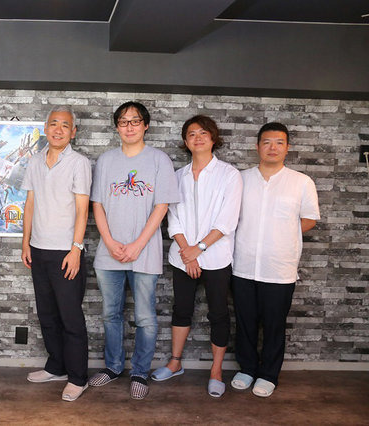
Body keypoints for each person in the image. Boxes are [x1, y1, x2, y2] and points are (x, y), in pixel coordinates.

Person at [88, 101, 179, 400]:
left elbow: (161, 206)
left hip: (145, 251)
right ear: (117, 127)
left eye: (135, 121)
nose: (129, 126)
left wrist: (138, 244)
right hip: (109, 253)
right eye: (123, 121)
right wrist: (109, 242)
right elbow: (97, 204)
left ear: (145, 125)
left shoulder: (159, 160)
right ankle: (113, 367)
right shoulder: (106, 161)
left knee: (145, 317)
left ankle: (140, 371)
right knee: (110, 314)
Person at [150, 115, 242, 398]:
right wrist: (188, 254)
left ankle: (216, 371)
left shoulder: (229, 175)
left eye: (203, 133)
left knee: (218, 313)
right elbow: (173, 219)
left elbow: (227, 221)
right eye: (191, 134)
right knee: (181, 309)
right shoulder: (178, 176)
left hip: (216, 258)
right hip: (183, 258)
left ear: (213, 138)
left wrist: (198, 249)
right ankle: (175, 362)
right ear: (185, 141)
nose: (198, 138)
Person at [231, 122, 320, 398]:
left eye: (279, 142)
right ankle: (247, 369)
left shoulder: (301, 182)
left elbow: (308, 219)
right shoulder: (240, 179)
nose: (273, 147)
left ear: (287, 147)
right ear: (257, 146)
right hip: (243, 265)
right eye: (267, 142)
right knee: (245, 322)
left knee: (274, 325)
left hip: (279, 268)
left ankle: (268, 374)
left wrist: (280, 234)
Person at [21, 106, 91, 402]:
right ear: (45, 128)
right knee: (47, 314)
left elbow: (82, 209)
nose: (58, 129)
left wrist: (76, 249)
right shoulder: (35, 161)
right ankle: (56, 366)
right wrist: (26, 242)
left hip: (66, 251)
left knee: (70, 317)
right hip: (39, 249)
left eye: (65, 125)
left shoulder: (79, 163)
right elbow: (30, 203)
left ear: (73, 132)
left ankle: (78, 377)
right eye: (53, 124)